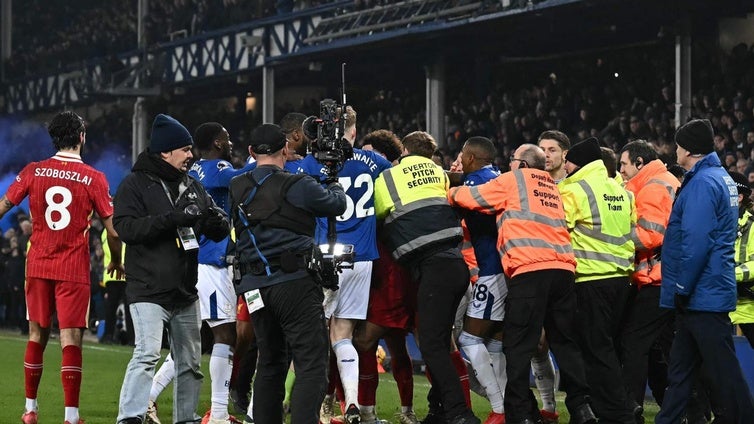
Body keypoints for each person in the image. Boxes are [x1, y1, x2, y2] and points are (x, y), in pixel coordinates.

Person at [448, 143, 597, 424]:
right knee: (564, 344)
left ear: (524, 165)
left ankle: (520, 415)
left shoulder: (513, 180)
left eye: (513, 160)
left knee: (518, 346)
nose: (509, 165)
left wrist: (450, 190)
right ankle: (581, 408)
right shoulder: (553, 187)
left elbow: (472, 197)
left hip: (530, 270)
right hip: (564, 271)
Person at [0, 111, 124, 424]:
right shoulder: (95, 178)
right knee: (71, 339)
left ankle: (30, 410)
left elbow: (3, 205)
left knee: (35, 335)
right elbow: (113, 231)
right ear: (82, 137)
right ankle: (71, 416)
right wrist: (118, 261)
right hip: (73, 268)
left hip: (38, 263)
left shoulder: (33, 170)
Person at [114, 114, 230, 424]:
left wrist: (218, 224)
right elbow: (125, 228)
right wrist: (172, 220)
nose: (191, 155)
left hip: (185, 290)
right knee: (147, 354)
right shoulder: (135, 184)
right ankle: (130, 417)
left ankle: (186, 418)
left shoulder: (192, 185)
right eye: (185, 149)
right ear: (166, 151)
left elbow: (213, 221)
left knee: (190, 362)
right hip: (148, 288)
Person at [229, 123, 346, 424]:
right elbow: (336, 204)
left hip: (254, 286)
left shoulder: (236, 185)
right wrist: (332, 182)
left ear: (252, 151)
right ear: (285, 149)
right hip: (293, 281)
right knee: (311, 361)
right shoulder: (297, 184)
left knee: (269, 361)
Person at [374, 131, 478, 424]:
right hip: (456, 264)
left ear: (404, 150)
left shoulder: (389, 177)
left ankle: (459, 413)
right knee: (441, 342)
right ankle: (440, 410)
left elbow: (379, 212)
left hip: (432, 268)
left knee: (432, 345)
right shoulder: (437, 172)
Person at [656, 119, 754, 424]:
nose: (675, 150)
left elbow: (696, 241)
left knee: (723, 370)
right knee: (681, 370)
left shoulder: (702, 183)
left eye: (678, 145)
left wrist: (682, 287)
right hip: (704, 292)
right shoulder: (717, 178)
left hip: (700, 295)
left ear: (688, 149)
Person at [299, 105, 392, 424]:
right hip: (362, 257)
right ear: (353, 130)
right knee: (344, 333)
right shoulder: (376, 162)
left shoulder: (312, 162)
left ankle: (305, 402)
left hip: (325, 254)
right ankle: (350, 403)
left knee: (314, 334)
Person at [560, 137, 635, 424]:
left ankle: (618, 414)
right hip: (621, 279)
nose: (565, 166)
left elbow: (559, 227)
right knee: (606, 347)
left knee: (596, 350)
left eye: (568, 161)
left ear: (578, 163)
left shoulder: (576, 190)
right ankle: (612, 410)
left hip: (590, 278)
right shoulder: (620, 191)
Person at [354, 130, 419, 424]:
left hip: (391, 276)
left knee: (364, 343)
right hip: (390, 274)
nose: (364, 160)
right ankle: (407, 411)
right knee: (397, 346)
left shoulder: (388, 183)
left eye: (370, 154)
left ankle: (366, 410)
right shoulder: (396, 179)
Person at [616, 140, 679, 420]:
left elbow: (652, 235)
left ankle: (630, 409)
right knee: (669, 347)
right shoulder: (661, 180)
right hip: (666, 276)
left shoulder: (653, 186)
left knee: (633, 343)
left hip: (658, 278)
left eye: (624, 164)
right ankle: (691, 410)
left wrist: (615, 239)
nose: (621, 171)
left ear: (639, 163)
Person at [453, 137, 507, 424]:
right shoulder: (501, 178)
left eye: (462, 156)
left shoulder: (475, 184)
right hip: (513, 268)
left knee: (469, 338)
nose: (460, 161)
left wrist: (449, 191)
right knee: (496, 341)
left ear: (472, 158)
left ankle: (500, 407)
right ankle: (508, 403)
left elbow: (456, 202)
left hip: (492, 270)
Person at [728, 171, 754, 349]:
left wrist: (728, 274)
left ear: (738, 197)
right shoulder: (717, 223)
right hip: (722, 303)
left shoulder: (752, 226)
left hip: (749, 307)